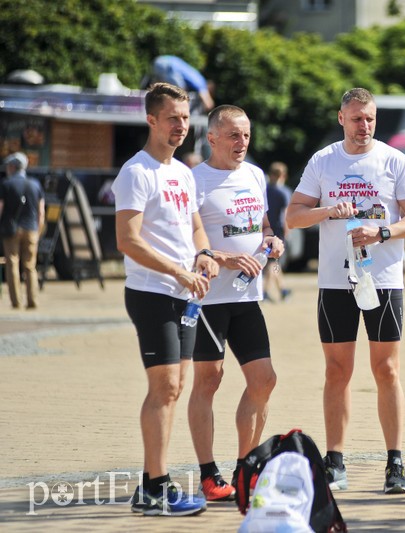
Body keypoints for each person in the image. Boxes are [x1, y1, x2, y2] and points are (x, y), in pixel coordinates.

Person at [285, 88, 405, 494]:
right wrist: (328, 210)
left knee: (387, 370)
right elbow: (293, 217)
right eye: (356, 119)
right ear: (341, 119)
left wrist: (382, 231)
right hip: (335, 280)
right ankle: (335, 461)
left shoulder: (393, 160)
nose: (363, 126)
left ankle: (395, 463)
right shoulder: (324, 161)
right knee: (336, 371)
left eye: (369, 118)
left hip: (381, 279)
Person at [112, 82, 218, 516]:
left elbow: (194, 228)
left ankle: (152, 482)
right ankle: (156, 486)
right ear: (151, 119)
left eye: (185, 117)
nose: (181, 125)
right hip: (151, 292)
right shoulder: (136, 172)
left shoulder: (183, 173)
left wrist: (205, 255)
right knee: (167, 386)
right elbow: (127, 240)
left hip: (185, 294)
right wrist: (177, 271)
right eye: (172, 117)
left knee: (176, 389)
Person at [187, 105, 284, 502]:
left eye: (246, 135)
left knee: (264, 380)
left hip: (247, 297)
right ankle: (209, 474)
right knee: (209, 379)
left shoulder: (255, 175)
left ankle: (246, 468)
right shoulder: (194, 179)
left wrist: (272, 241)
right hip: (209, 299)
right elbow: (186, 239)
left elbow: (262, 226)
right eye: (233, 135)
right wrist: (221, 257)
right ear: (212, 138)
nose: (242, 142)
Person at [0, 152, 44, 310]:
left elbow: (1, 208)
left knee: (12, 263)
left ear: (12, 167)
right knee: (30, 266)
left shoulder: (6, 184)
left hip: (11, 229)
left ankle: (16, 301)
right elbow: (41, 212)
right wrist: (38, 231)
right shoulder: (35, 184)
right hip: (31, 228)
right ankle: (33, 301)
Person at [264, 161, 292, 302]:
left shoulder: (265, 190)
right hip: (278, 231)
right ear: (284, 175)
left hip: (265, 229)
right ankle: (266, 291)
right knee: (273, 261)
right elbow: (286, 214)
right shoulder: (284, 192)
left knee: (273, 261)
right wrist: (287, 229)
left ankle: (281, 289)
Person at [146, 55, 215, 112]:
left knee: (158, 91)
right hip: (168, 65)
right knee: (180, 93)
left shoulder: (196, 76)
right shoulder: (201, 83)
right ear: (209, 89)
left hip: (159, 61)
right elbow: (208, 104)